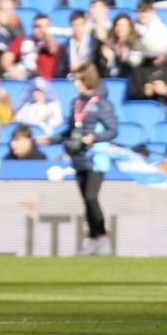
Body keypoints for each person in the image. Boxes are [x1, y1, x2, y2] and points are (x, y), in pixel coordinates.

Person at [40, 64, 117, 255]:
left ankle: (103, 238)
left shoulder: (102, 104)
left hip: (96, 158)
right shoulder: (76, 103)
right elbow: (70, 131)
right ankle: (93, 239)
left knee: (92, 197)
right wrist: (51, 139)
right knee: (86, 200)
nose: (74, 83)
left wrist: (94, 138)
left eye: (76, 79)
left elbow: (112, 130)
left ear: (86, 80)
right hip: (79, 156)